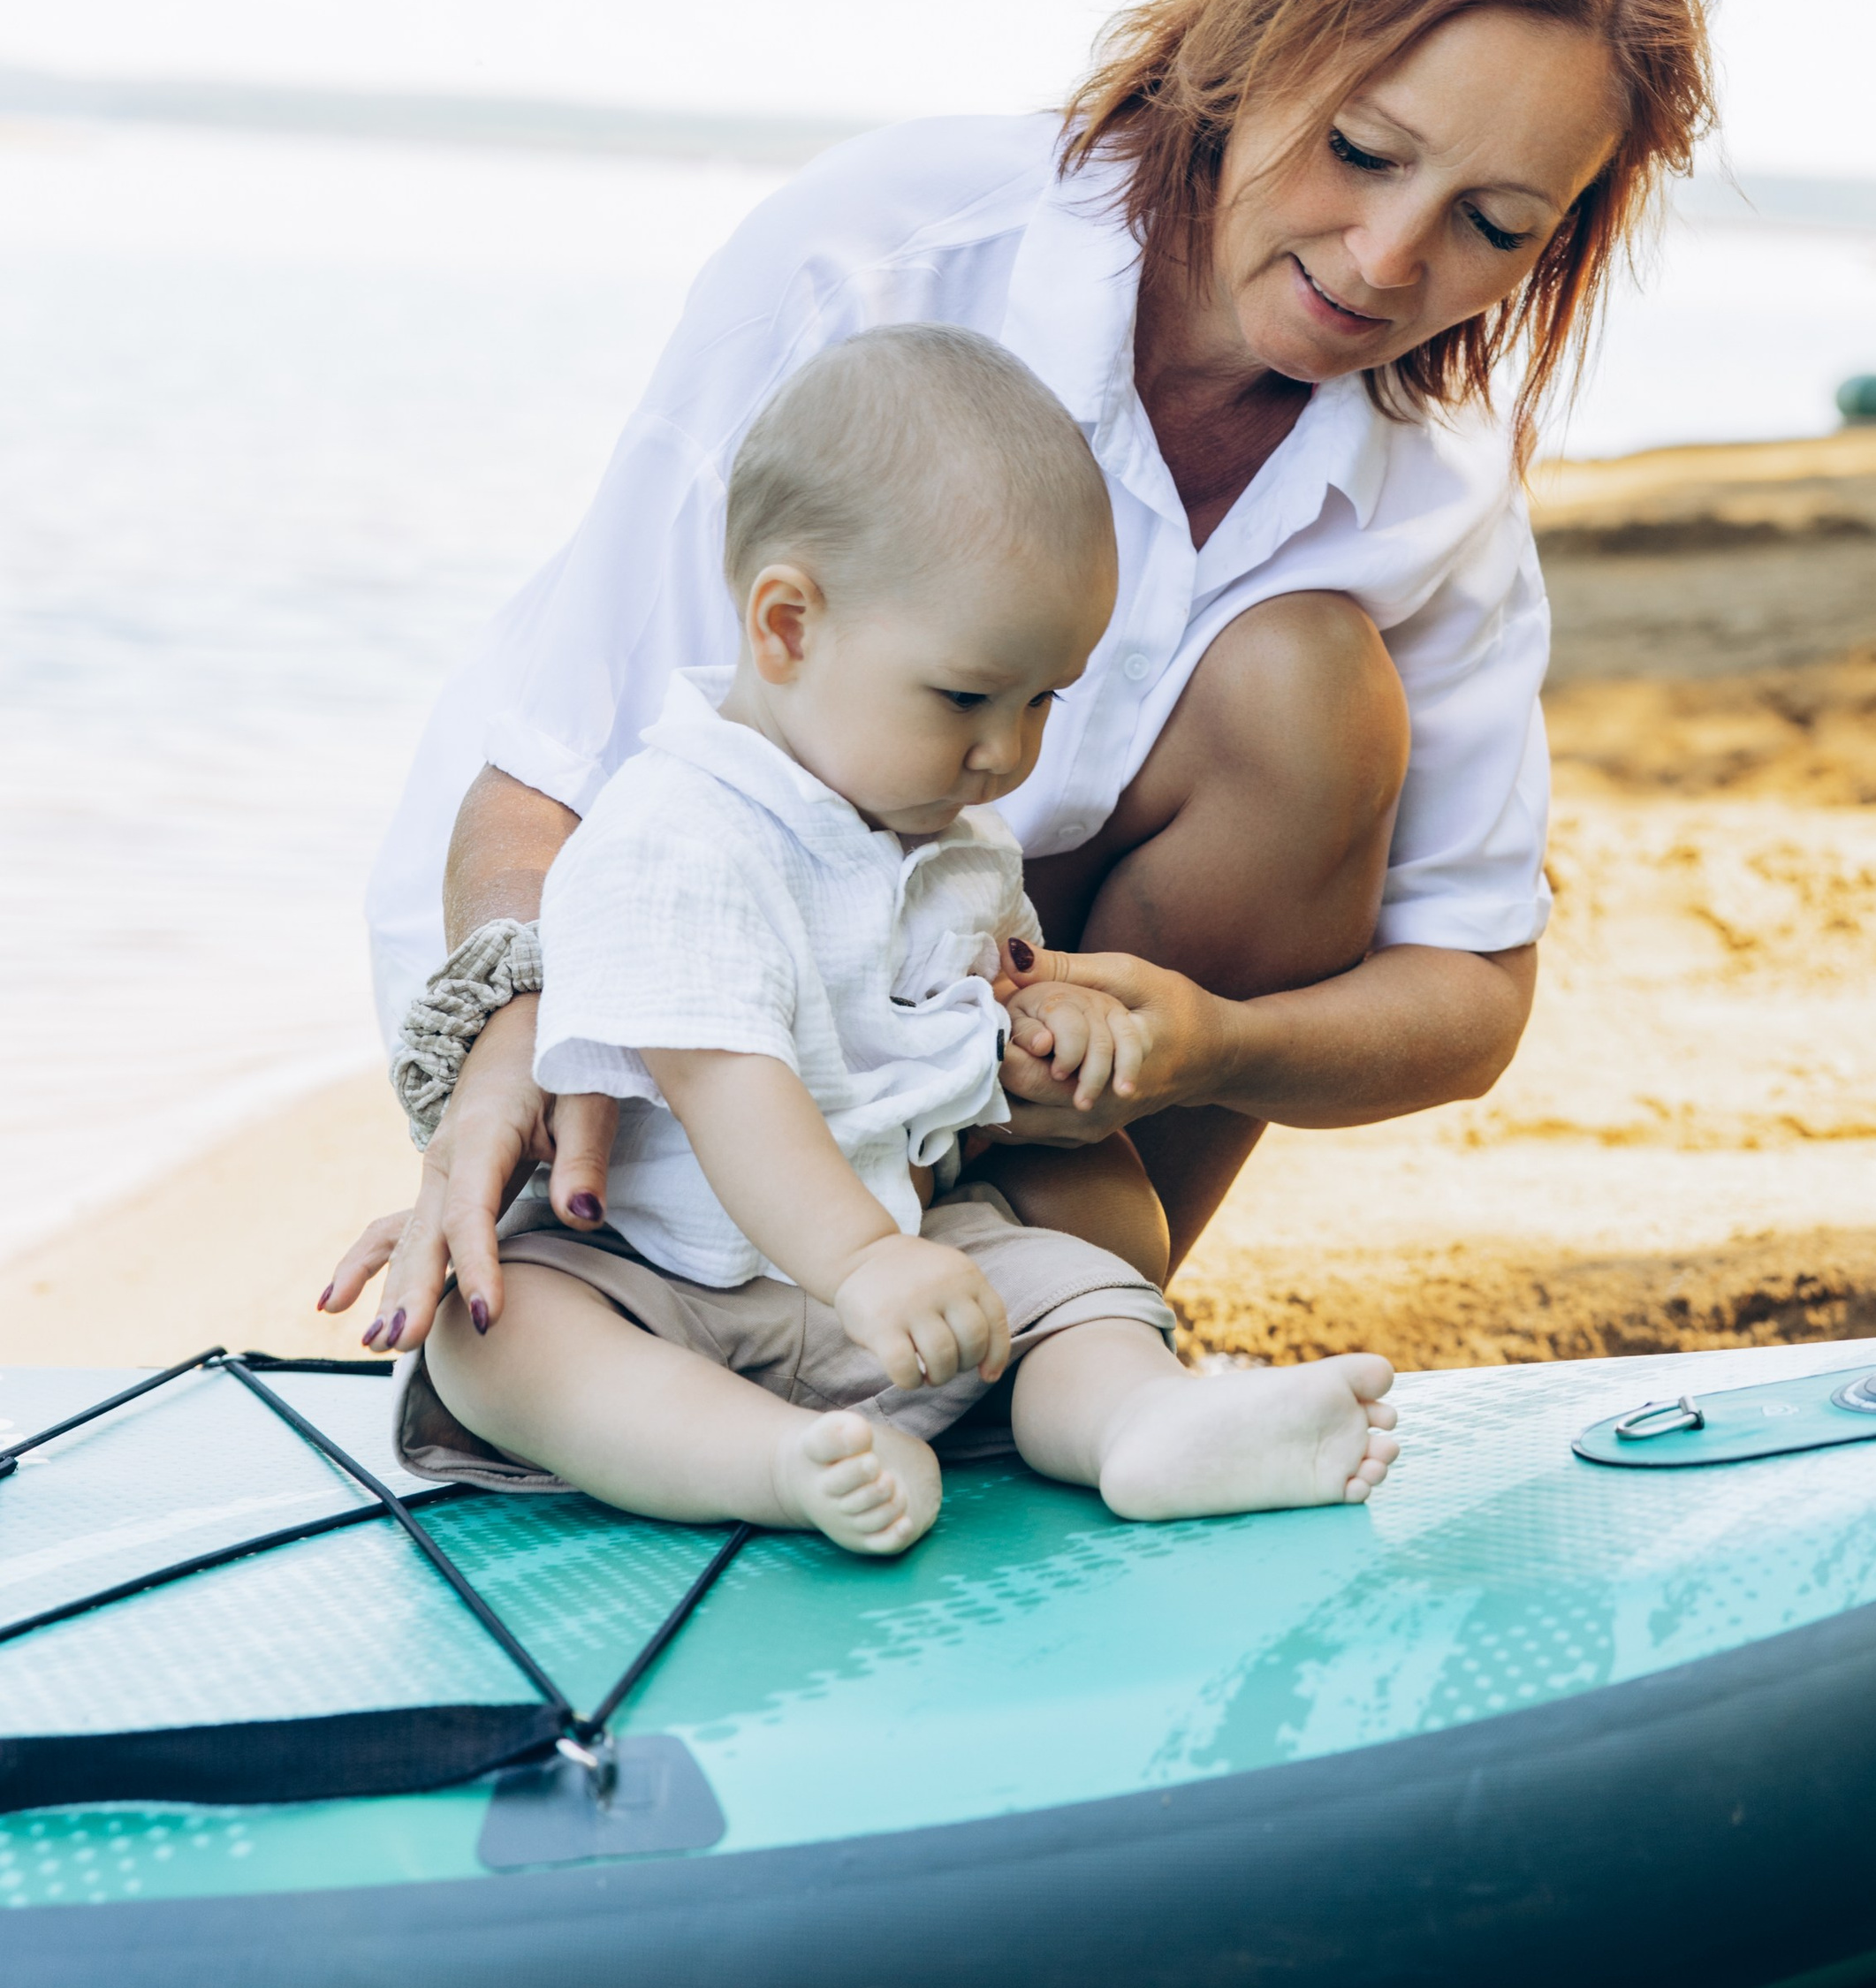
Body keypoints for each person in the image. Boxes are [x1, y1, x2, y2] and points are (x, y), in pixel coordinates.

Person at [325, 0, 1721, 1353]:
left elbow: (1472, 993)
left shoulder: (1437, 480)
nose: (1390, 258)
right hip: (662, 959)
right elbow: (547, 770)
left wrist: (1212, 1045)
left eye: (1493, 225)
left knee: (1310, 689)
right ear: (1253, 34)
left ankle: (1057, 1327)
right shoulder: (879, 253)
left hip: (984, 1021)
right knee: (568, 1341)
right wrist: (511, 1039)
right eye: (1361, 151)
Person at [391, 326, 1398, 1546]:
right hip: (664, 1277)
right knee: (500, 1336)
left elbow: (970, 1013)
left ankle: (1141, 1427)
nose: (1006, 751)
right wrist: (862, 1259)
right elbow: (725, 1084)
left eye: (1043, 699)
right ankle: (770, 1462)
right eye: (967, 697)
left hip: (905, 1265)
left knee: (1082, 1295)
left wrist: (1045, 1027)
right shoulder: (676, 831)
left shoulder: (955, 838)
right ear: (786, 626)